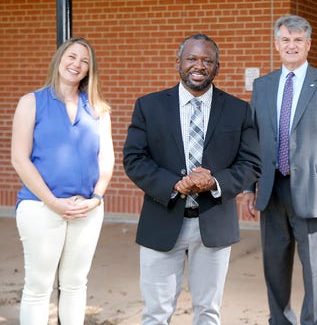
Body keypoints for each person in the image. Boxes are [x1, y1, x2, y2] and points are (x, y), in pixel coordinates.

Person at [122, 33, 261, 325]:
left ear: (217, 68)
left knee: (208, 313)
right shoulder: (149, 106)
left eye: (207, 60)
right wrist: (174, 183)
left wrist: (215, 182)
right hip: (162, 220)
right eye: (192, 59)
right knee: (155, 313)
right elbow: (134, 159)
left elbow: (251, 164)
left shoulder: (238, 110)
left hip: (213, 224)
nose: (200, 65)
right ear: (178, 64)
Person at [243, 15, 317, 325]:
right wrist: (249, 186)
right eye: (285, 40)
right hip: (271, 189)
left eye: (298, 40)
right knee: (274, 266)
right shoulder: (262, 86)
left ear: (308, 45)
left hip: (315, 191)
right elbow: (252, 138)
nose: (291, 45)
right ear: (276, 44)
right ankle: (280, 320)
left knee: (316, 269)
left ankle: (315, 322)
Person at [10, 37, 115, 325]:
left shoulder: (98, 108)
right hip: (40, 208)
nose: (77, 64)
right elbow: (20, 159)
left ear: (89, 70)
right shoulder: (31, 102)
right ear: (59, 60)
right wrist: (53, 202)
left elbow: (106, 159)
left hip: (86, 209)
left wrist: (96, 198)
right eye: (72, 57)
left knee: (75, 284)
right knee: (38, 287)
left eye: (84, 61)